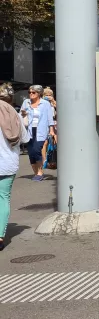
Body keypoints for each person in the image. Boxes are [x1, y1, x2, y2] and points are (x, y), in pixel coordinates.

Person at [1, 84, 29, 251]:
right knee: (3, 198)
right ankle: (0, 236)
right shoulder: (15, 115)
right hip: (8, 163)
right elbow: (25, 139)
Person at [20, 85, 54, 181]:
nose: (31, 94)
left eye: (33, 92)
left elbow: (49, 118)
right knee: (31, 152)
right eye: (29, 92)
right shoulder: (26, 102)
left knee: (36, 150)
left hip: (41, 130)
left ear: (39, 93)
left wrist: (51, 130)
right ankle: (36, 172)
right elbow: (20, 116)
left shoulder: (45, 104)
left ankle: (40, 172)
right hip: (29, 130)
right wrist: (23, 114)